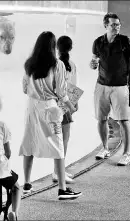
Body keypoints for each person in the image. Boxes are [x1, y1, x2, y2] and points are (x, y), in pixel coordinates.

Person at [20, 31, 82, 200]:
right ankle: (62, 189)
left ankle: (26, 184)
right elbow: (62, 93)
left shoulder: (28, 64)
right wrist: (71, 107)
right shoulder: (57, 64)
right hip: (50, 109)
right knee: (58, 147)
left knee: (29, 143)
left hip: (32, 108)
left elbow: (25, 89)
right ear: (53, 46)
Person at [89, 12, 130, 166]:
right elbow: (94, 61)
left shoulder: (125, 41)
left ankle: (126, 154)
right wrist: (92, 64)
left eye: (118, 24)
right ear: (105, 25)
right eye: (113, 25)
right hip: (101, 85)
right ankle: (105, 148)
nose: (116, 27)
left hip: (120, 86)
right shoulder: (98, 42)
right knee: (101, 119)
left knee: (124, 120)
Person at [51, 35, 78, 184]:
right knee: (64, 140)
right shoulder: (71, 65)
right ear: (71, 48)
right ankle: (57, 172)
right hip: (66, 105)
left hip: (55, 104)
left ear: (57, 48)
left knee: (59, 139)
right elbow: (73, 87)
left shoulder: (54, 64)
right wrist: (73, 105)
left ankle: (59, 169)